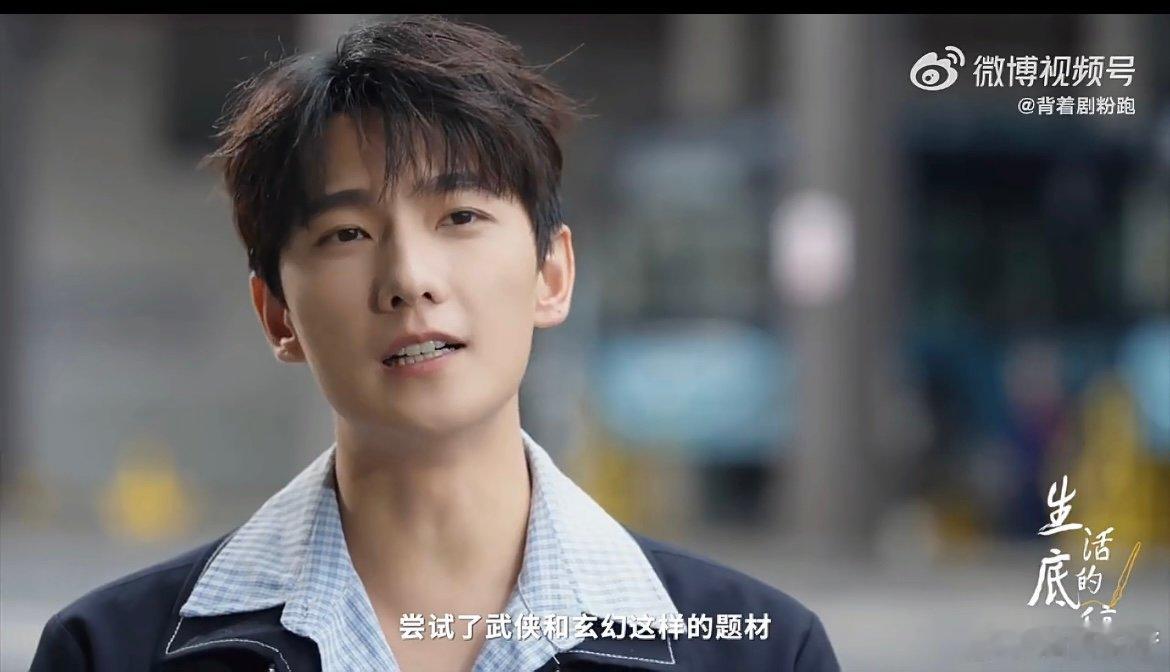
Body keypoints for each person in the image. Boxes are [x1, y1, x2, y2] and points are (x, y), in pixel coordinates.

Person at [30, 15, 839, 672]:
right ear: (277, 314)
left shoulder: (762, 653)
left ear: (552, 274)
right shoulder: (112, 653)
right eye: (347, 233)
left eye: (460, 217)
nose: (409, 279)